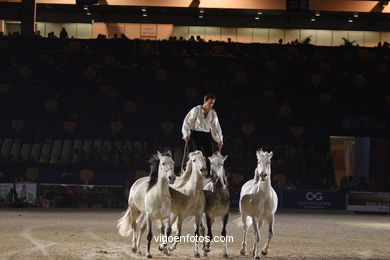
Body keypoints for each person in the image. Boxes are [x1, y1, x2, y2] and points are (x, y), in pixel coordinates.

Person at [181, 94, 223, 169]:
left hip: (207, 135)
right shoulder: (196, 110)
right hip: (196, 134)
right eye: (210, 102)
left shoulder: (213, 113)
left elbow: (216, 127)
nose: (211, 105)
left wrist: (219, 140)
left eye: (213, 103)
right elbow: (187, 122)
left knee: (210, 156)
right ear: (205, 101)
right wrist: (186, 134)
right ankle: (198, 172)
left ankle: (209, 174)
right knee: (198, 154)